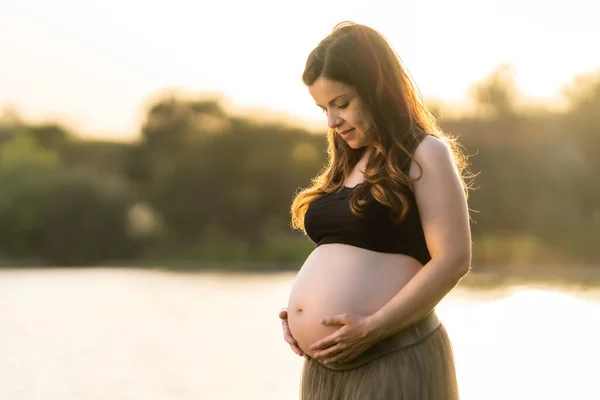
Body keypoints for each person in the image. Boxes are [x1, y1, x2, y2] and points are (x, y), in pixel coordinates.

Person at [278, 21, 473, 400]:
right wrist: (300, 317)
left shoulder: (425, 153)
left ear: (377, 90)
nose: (333, 122)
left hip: (389, 353)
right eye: (323, 109)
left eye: (342, 103)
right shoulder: (348, 164)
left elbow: (453, 260)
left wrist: (373, 326)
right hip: (327, 367)